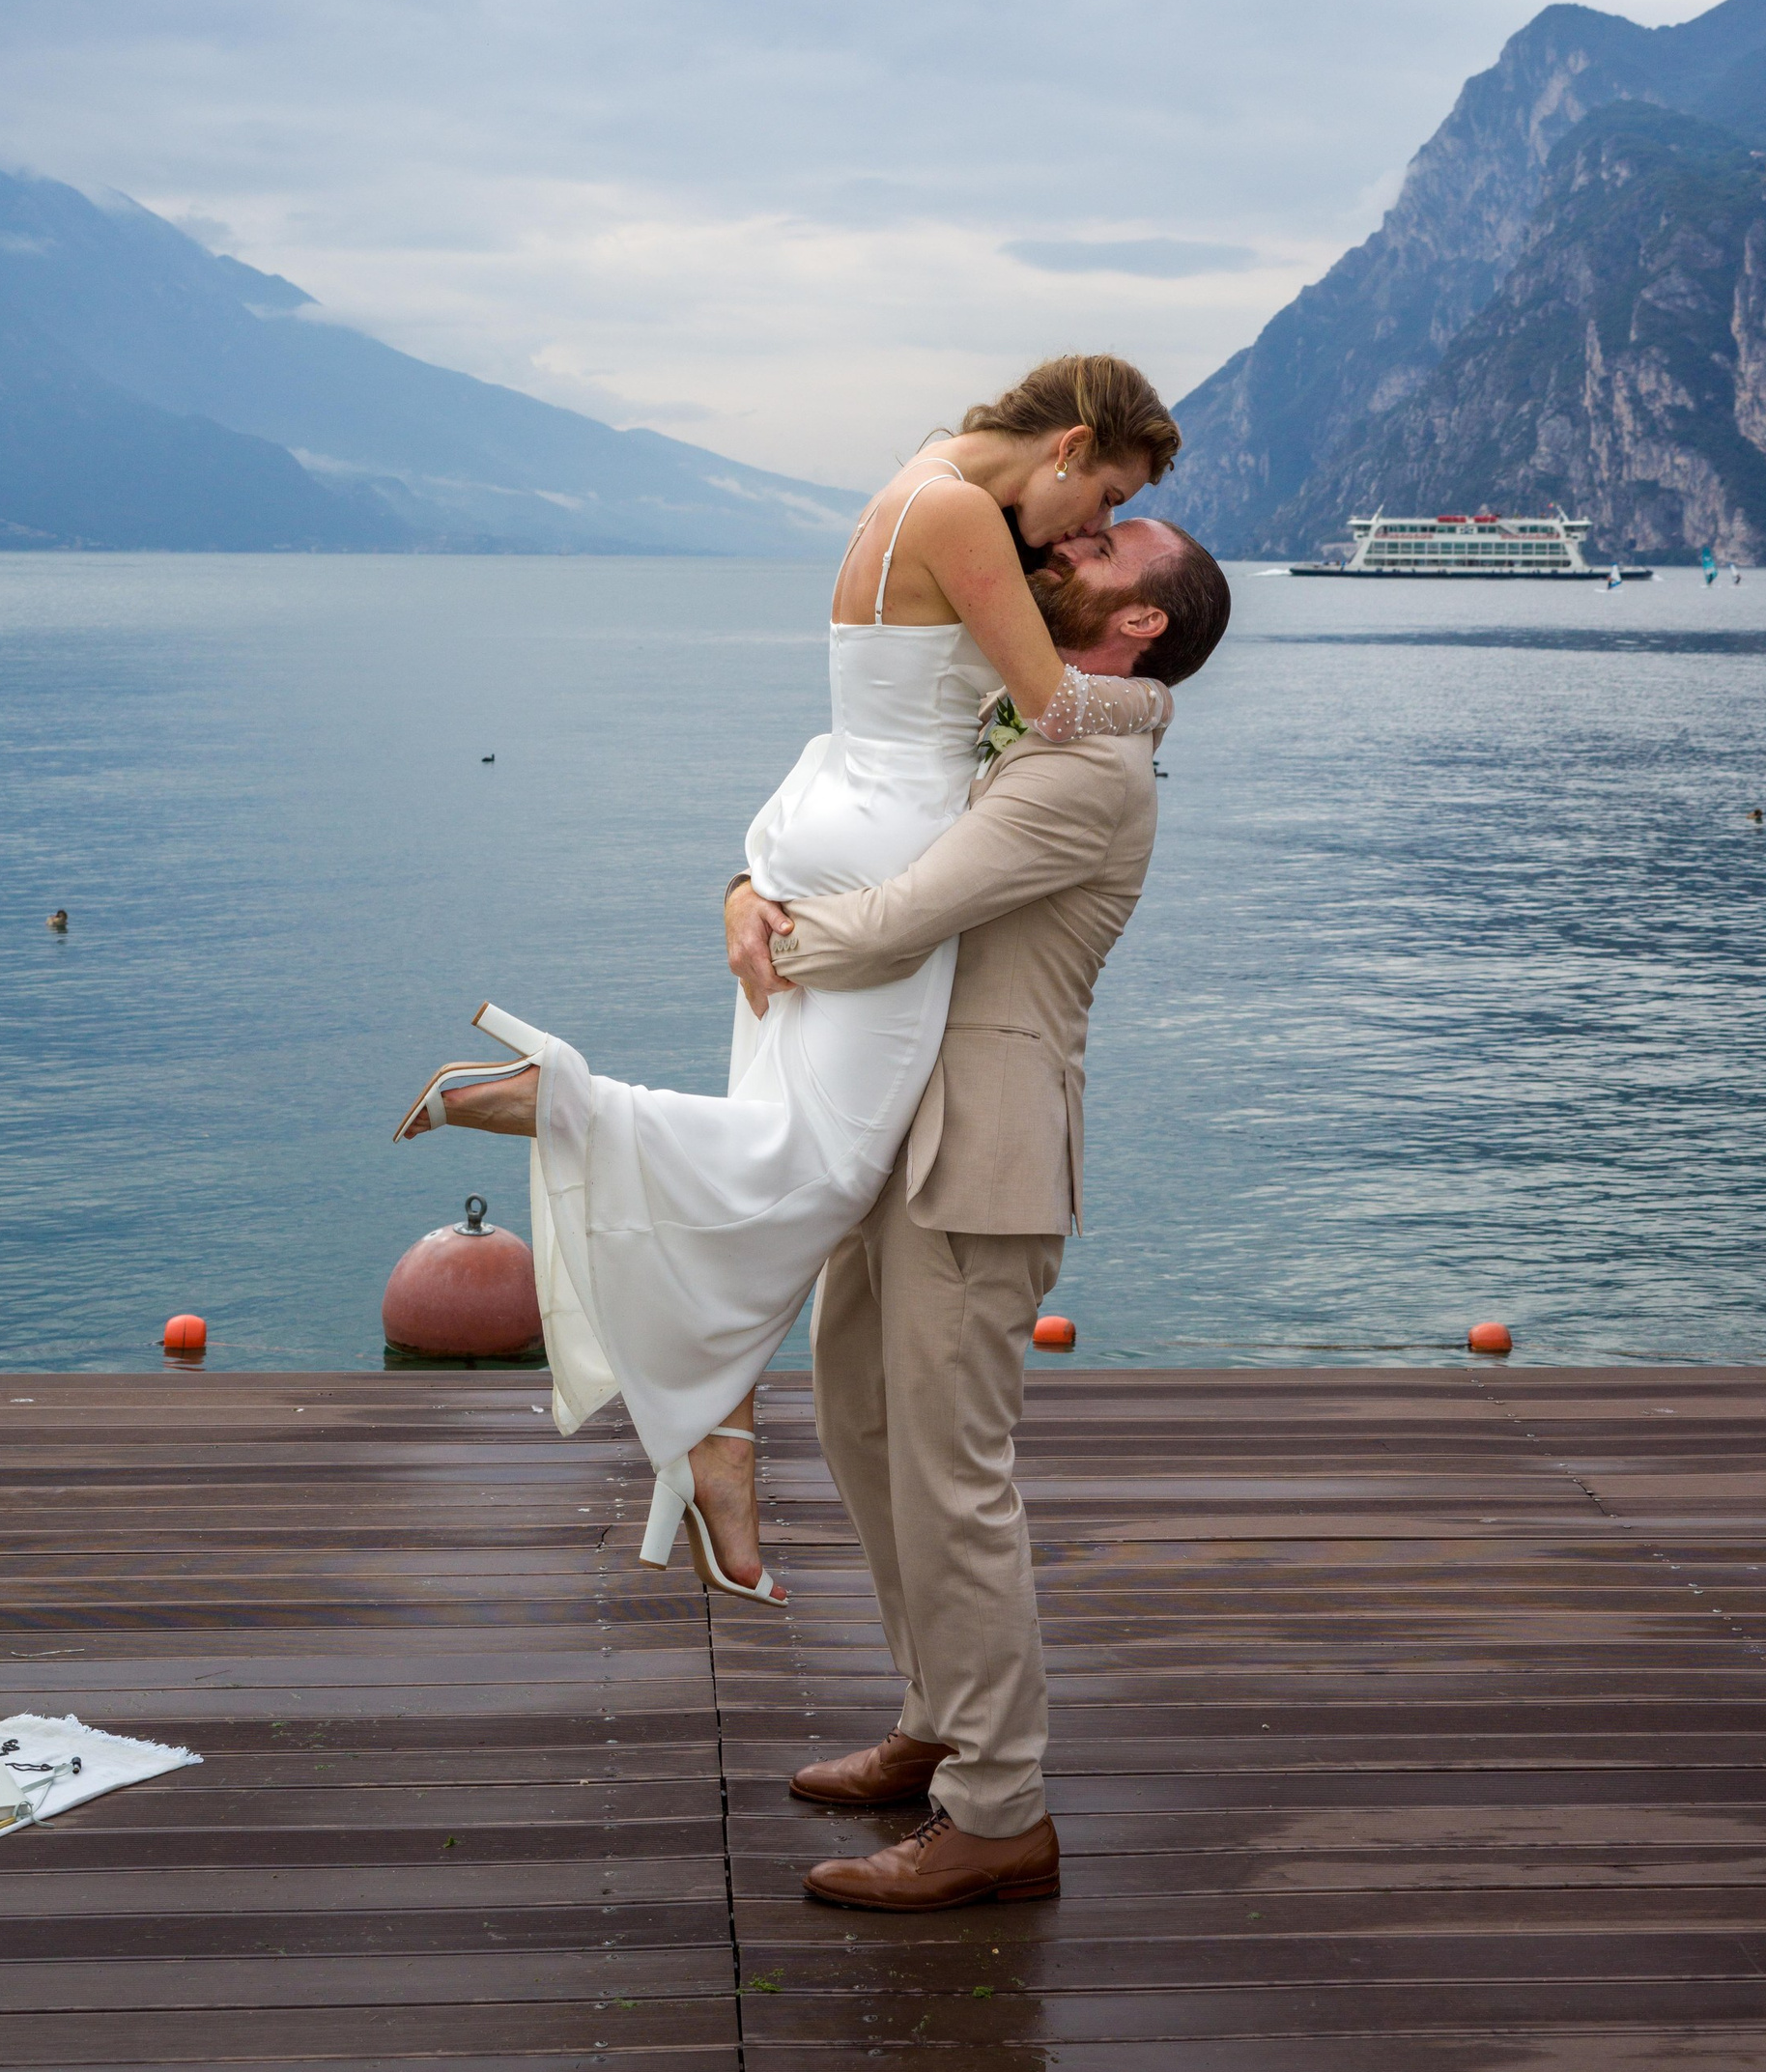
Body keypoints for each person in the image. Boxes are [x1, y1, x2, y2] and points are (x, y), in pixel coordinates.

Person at [393, 355, 1184, 1601]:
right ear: (1070, 445)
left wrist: (740, 885)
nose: (1088, 531)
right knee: (819, 1172)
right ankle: (566, 1111)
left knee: (782, 1143)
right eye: (1103, 500)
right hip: (886, 849)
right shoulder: (967, 514)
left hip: (813, 813)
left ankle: (717, 1430)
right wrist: (1156, 716)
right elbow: (1053, 710)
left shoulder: (907, 489)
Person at [725, 510, 1233, 1911]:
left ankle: (999, 1805)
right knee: (861, 1424)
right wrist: (746, 882)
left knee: (952, 1475)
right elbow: (847, 801)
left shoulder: (1085, 774)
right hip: (896, 1133)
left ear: (1143, 621)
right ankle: (939, 1715)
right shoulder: (1030, 717)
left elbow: (894, 919)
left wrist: (763, 937)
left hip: (981, 1151)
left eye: (1110, 542)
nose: (1069, 543)